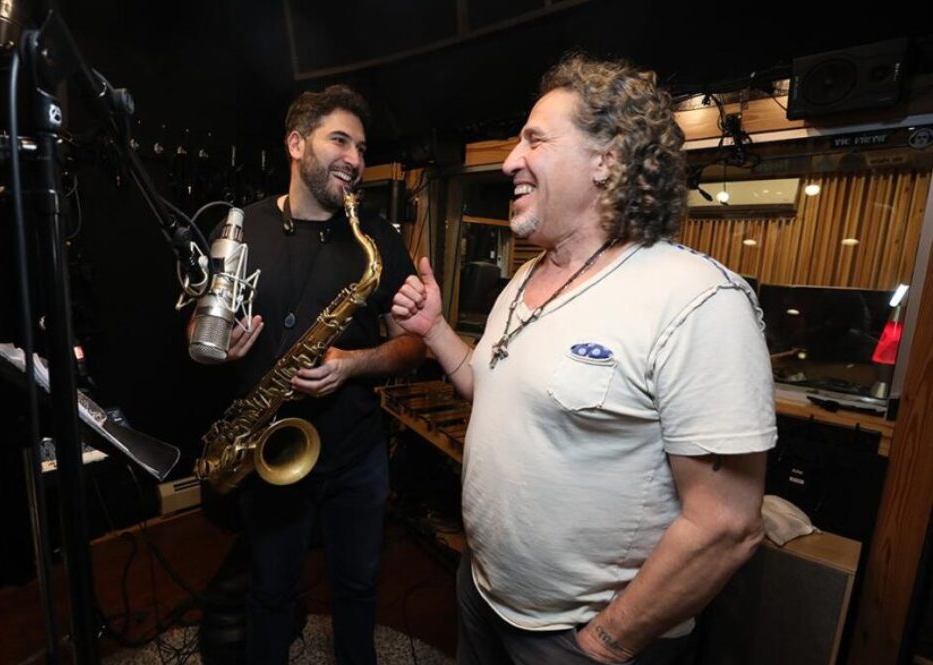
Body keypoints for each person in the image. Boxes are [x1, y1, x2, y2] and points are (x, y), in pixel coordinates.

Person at [391, 54, 776, 664]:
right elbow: (490, 390)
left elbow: (726, 524)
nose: (510, 160)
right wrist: (434, 330)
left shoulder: (696, 299)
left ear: (607, 160)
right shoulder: (524, 281)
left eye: (535, 140)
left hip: (579, 637)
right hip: (482, 593)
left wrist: (606, 642)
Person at [194, 84, 425, 664]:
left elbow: (413, 346)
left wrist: (354, 363)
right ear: (296, 144)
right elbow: (197, 333)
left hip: (355, 454)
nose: (354, 158)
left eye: (361, 148)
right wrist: (217, 348)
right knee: (269, 591)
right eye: (339, 140)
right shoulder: (240, 228)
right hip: (268, 451)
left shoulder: (378, 240)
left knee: (358, 587)